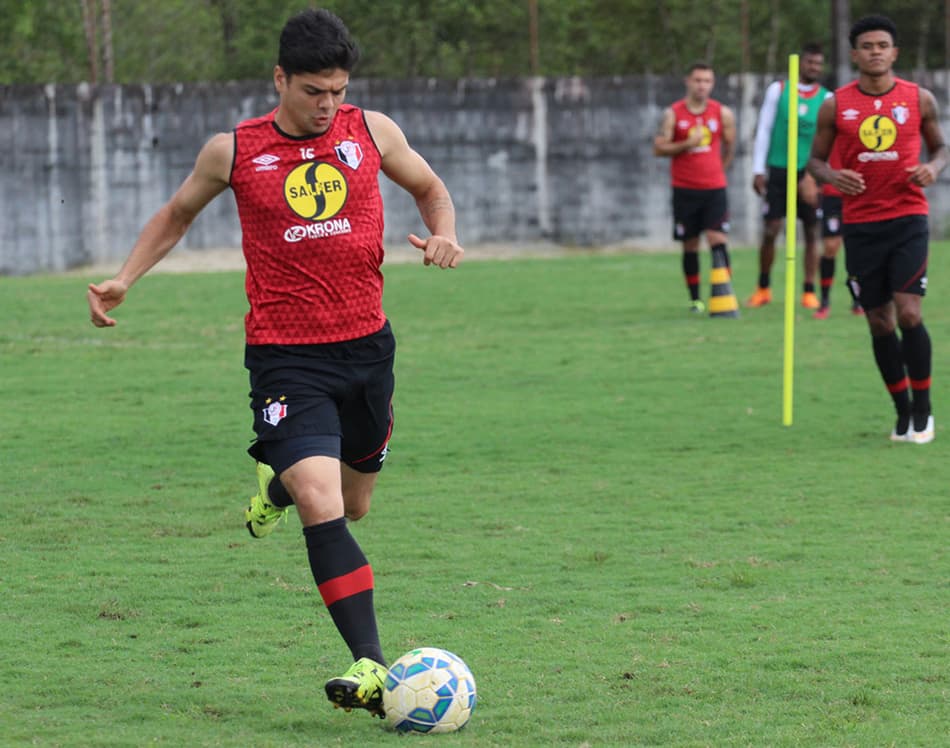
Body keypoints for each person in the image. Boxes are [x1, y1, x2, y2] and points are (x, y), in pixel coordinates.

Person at [87, 8, 464, 717]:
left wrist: (444, 231)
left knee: (353, 503)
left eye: (338, 92)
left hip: (367, 350)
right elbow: (176, 215)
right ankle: (372, 664)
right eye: (314, 91)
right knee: (326, 503)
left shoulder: (371, 131)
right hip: (286, 359)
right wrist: (124, 279)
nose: (328, 106)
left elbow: (430, 188)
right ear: (280, 78)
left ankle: (276, 486)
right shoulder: (234, 150)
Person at [807, 14, 948, 443]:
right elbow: (814, 160)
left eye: (882, 45)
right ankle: (902, 410)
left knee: (908, 312)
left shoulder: (919, 98)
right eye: (867, 46)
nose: (875, 52)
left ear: (894, 53)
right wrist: (831, 177)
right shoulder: (836, 104)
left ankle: (924, 411)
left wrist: (933, 167)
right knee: (879, 322)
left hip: (908, 217)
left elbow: (941, 147)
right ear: (854, 54)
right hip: (862, 224)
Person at [748, 43, 829, 309]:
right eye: (809, 62)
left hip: (808, 173)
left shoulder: (826, 99)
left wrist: (817, 177)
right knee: (771, 230)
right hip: (779, 169)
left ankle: (808, 290)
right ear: (800, 63)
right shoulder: (779, 90)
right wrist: (758, 168)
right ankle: (763, 287)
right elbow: (765, 129)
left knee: (811, 231)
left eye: (818, 63)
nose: (813, 67)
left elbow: (828, 141)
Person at [654, 62, 737, 314]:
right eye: (698, 80)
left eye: (707, 81)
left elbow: (730, 146)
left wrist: (718, 169)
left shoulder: (722, 113)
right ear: (688, 82)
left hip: (714, 188)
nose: (702, 86)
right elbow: (658, 148)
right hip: (684, 189)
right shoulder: (674, 113)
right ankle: (695, 299)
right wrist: (686, 144)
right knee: (690, 244)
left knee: (717, 238)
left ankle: (723, 293)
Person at [813, 144, 863, 319]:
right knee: (831, 247)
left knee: (857, 247)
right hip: (833, 193)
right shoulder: (830, 118)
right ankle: (825, 301)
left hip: (860, 191)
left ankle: (858, 299)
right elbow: (816, 155)